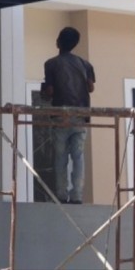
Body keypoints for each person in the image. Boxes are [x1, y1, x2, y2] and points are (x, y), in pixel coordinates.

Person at [41, 26, 95, 204]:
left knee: (60, 156)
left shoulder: (51, 64)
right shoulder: (85, 64)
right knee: (78, 156)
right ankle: (77, 195)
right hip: (80, 114)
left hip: (61, 115)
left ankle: (61, 194)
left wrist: (44, 92)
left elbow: (50, 91)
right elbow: (90, 88)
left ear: (58, 42)